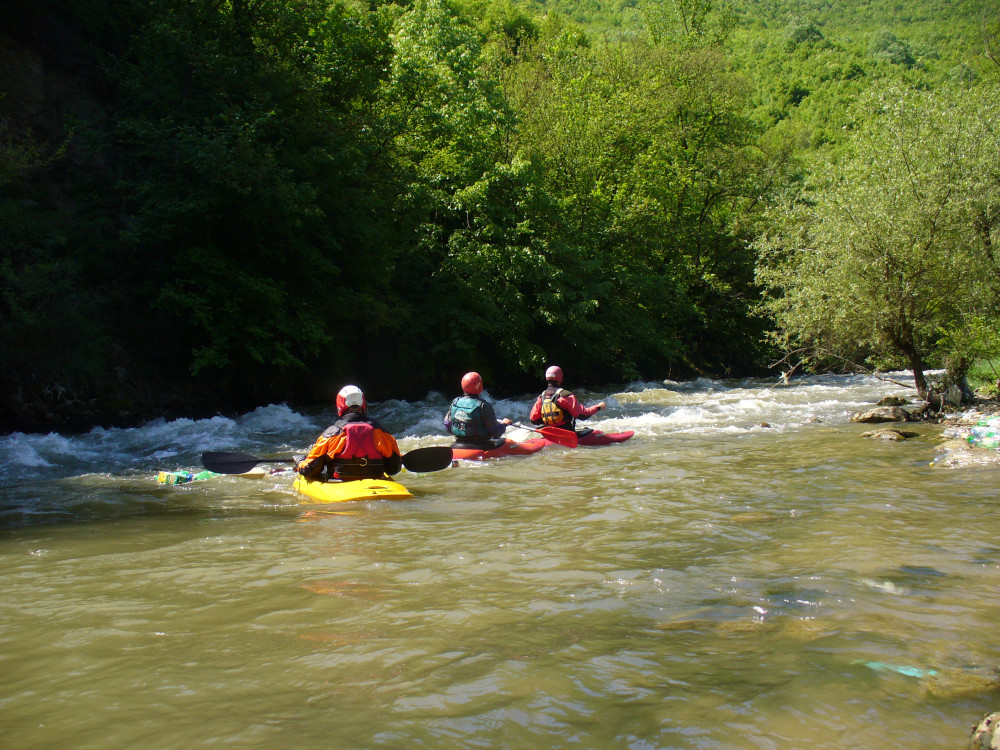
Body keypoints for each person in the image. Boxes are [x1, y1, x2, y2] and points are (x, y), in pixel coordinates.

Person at [297, 385, 402, 481]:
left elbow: (309, 470)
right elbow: (394, 468)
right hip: (375, 481)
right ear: (363, 403)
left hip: (340, 484)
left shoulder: (332, 434)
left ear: (340, 404)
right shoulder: (381, 432)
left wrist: (300, 461)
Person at [444, 372, 512, 449]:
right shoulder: (484, 405)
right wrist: (504, 424)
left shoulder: (455, 402)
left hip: (457, 445)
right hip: (480, 446)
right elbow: (496, 433)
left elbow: (447, 425)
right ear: (479, 386)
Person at [529, 365, 605, 434]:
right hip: (566, 434)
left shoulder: (541, 397)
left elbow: (534, 420)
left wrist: (550, 422)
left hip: (549, 433)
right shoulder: (565, 395)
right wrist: (598, 407)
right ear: (560, 377)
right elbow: (582, 415)